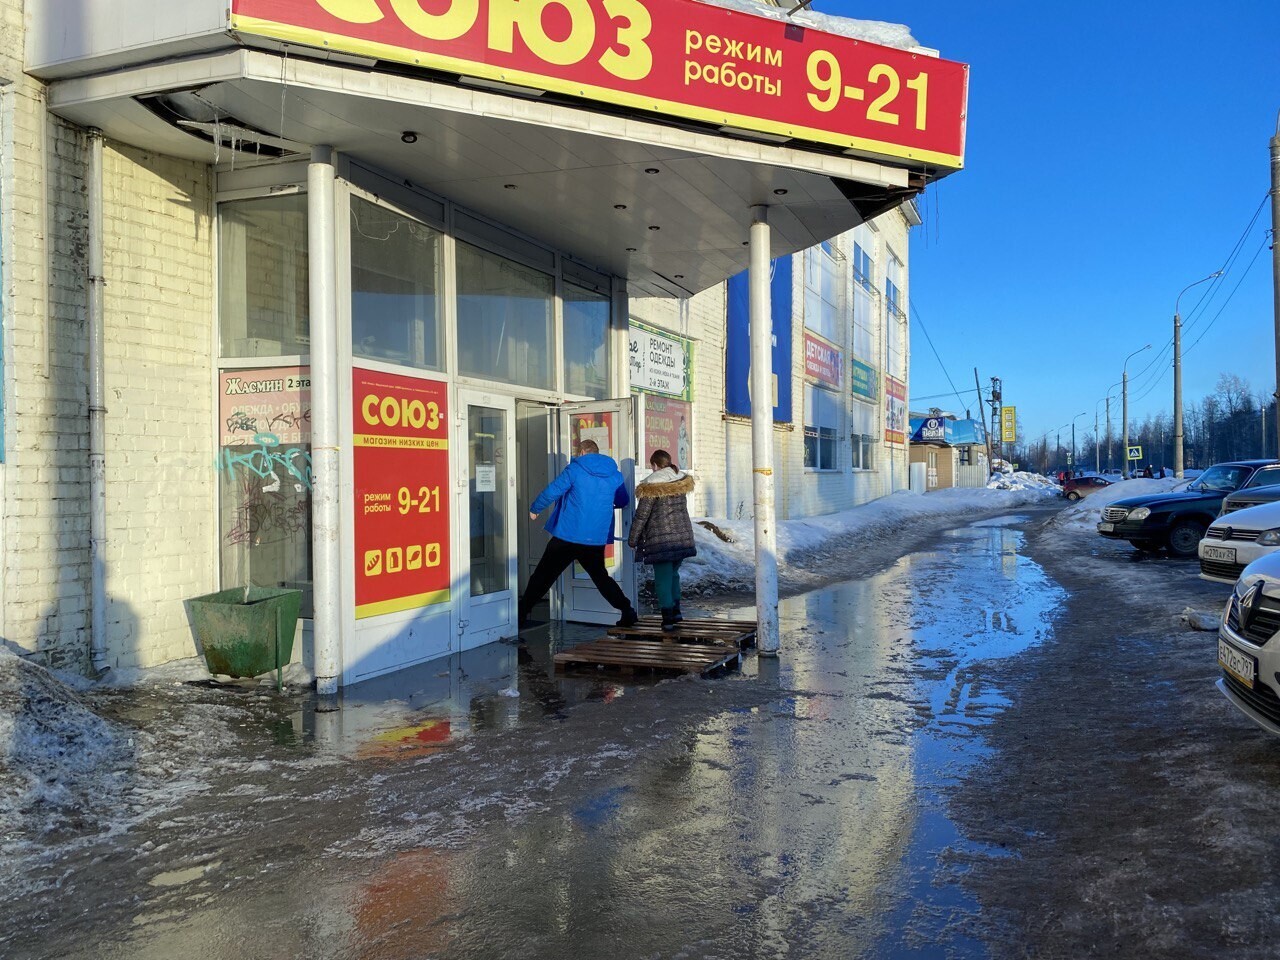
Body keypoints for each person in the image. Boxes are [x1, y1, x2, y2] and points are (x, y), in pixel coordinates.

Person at [517, 439, 637, 629]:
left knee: (543, 575)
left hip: (567, 536)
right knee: (601, 578)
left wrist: (535, 508)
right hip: (595, 539)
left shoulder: (575, 470)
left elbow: (553, 491)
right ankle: (627, 610)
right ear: (597, 453)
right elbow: (622, 500)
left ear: (581, 452)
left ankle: (521, 614)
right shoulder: (615, 474)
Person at [628, 450, 697, 632]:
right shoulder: (678, 480)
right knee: (673, 575)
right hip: (681, 537)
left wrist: (632, 539)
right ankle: (676, 612)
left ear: (655, 465)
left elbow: (642, 516)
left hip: (662, 541)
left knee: (662, 580)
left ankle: (667, 620)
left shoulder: (652, 485)